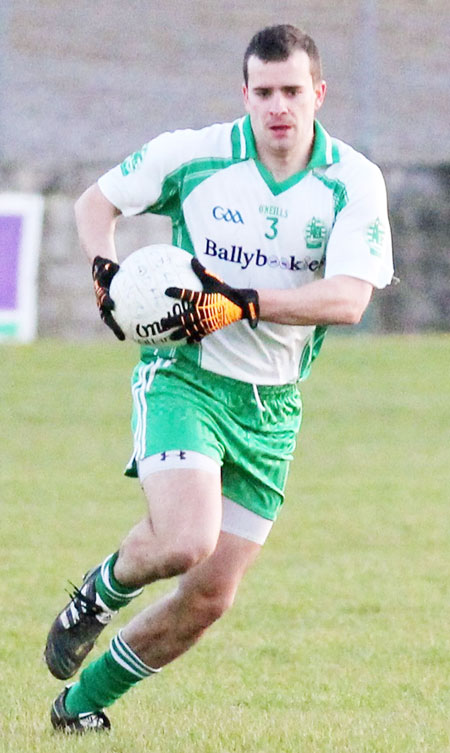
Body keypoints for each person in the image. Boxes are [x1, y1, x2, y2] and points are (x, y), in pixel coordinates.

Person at [45, 24, 394, 733]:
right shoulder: (195, 155)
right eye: (263, 92)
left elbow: (349, 298)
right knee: (183, 539)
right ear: (245, 94)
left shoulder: (351, 180)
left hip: (273, 407)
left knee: (208, 597)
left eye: (293, 92)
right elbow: (95, 204)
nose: (278, 108)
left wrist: (244, 304)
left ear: (318, 94)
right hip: (186, 377)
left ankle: (78, 708)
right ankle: (97, 592)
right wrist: (104, 271)